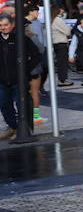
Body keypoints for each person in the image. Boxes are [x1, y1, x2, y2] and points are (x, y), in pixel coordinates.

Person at [0, 11, 43, 140]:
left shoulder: (21, 38)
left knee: (23, 104)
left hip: (19, 79)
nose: (3, 27)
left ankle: (26, 129)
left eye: (5, 24)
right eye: (0, 25)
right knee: (4, 105)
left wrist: (26, 70)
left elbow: (36, 55)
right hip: (2, 80)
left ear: (12, 25)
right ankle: (13, 127)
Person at [49, 5, 73, 87]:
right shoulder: (58, 20)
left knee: (59, 62)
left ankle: (61, 79)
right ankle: (62, 79)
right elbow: (67, 31)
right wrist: (69, 27)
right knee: (63, 62)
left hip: (54, 42)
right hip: (61, 42)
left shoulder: (50, 19)